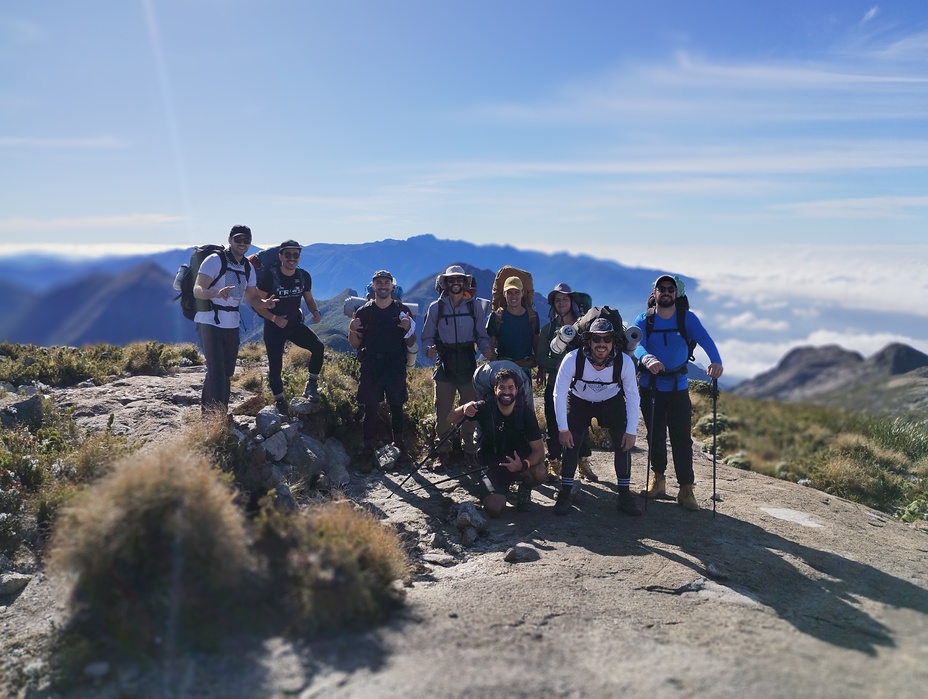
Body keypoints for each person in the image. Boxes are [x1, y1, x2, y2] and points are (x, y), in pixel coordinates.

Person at [633, 274, 724, 511]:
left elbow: (705, 339)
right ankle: (659, 480)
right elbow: (635, 344)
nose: (666, 292)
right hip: (651, 386)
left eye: (670, 289)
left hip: (678, 386)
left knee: (682, 438)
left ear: (676, 294)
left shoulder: (687, 318)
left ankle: (686, 489)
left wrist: (716, 361)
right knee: (655, 435)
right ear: (654, 294)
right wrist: (647, 357)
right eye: (661, 289)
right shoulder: (645, 319)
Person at [552, 319, 641, 516]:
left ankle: (625, 495)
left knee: (623, 442)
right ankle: (565, 492)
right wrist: (563, 429)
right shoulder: (572, 359)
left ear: (613, 342)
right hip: (579, 400)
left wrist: (631, 431)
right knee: (571, 441)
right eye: (596, 339)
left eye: (607, 339)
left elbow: (633, 396)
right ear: (588, 341)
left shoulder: (624, 362)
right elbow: (559, 393)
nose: (602, 344)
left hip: (611, 401)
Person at [193, 225, 276, 411]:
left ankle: (219, 411)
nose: (242, 244)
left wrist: (265, 303)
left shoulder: (247, 267)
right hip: (209, 321)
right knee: (216, 371)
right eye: (238, 239)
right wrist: (216, 293)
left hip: (231, 324)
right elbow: (197, 290)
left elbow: (252, 298)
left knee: (227, 372)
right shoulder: (214, 260)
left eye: (246, 240)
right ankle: (212, 416)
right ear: (229, 240)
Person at [420, 265, 494, 469]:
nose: (455, 283)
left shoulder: (474, 307)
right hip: (445, 365)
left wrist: (486, 347)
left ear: (464, 282)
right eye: (452, 280)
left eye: (459, 280)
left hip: (468, 364)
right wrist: (428, 350)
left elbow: (481, 334)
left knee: (469, 411)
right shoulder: (436, 307)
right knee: (442, 413)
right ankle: (443, 452)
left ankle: (469, 451)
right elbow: (426, 337)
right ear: (445, 283)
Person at [447, 368, 546, 517]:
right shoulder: (484, 408)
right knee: (494, 509)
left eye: (510, 388)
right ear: (495, 389)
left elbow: (539, 451)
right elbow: (449, 419)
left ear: (517, 390)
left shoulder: (525, 413)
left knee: (540, 472)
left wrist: (523, 464)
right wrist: (464, 408)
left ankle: (524, 490)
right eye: (502, 387)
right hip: (493, 466)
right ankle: (496, 489)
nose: (506, 392)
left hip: (519, 464)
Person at [348, 270, 416, 474]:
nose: (383, 286)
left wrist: (407, 330)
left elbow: (411, 342)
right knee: (370, 409)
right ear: (373, 286)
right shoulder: (363, 312)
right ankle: (367, 450)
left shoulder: (402, 311)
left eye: (387, 283)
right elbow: (355, 344)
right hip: (372, 366)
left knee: (397, 407)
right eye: (379, 283)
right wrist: (351, 330)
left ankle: (399, 446)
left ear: (392, 286)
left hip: (395, 365)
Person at [252, 240, 325, 414]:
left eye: (296, 255)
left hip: (294, 324)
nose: (292, 258)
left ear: (299, 257)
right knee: (275, 366)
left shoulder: (303, 276)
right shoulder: (270, 276)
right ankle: (279, 402)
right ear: (280, 256)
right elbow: (256, 304)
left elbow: (308, 299)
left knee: (318, 347)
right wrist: (274, 318)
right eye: (288, 254)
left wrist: (315, 311)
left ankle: (311, 384)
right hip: (274, 327)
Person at [535, 283, 597, 483]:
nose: (561, 302)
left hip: (580, 386)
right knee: (554, 424)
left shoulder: (584, 329)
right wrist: (565, 366)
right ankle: (555, 462)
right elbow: (541, 358)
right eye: (557, 299)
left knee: (581, 426)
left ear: (572, 302)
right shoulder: (548, 330)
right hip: (555, 385)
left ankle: (583, 463)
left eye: (565, 299)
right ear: (553, 304)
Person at [487, 275, 538, 379]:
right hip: (503, 370)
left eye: (517, 292)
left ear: (522, 293)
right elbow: (490, 345)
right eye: (509, 292)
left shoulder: (532, 316)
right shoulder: (497, 317)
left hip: (525, 368)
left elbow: (536, 342)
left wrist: (540, 367)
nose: (513, 296)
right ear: (504, 294)